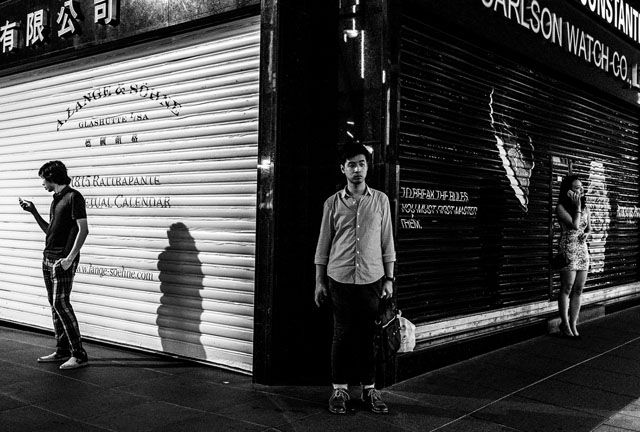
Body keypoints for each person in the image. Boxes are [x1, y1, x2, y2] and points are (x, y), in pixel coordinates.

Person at [314, 143, 396, 415]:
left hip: (372, 278)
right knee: (342, 335)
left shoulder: (381, 200)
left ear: (367, 167)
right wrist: (319, 281)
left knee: (369, 336)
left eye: (361, 163)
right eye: (351, 164)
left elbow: (387, 242)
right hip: (340, 278)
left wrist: (389, 278)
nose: (357, 169)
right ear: (343, 169)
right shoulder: (332, 203)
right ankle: (340, 390)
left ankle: (370, 389)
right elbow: (323, 245)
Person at [19, 160, 90, 369]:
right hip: (48, 258)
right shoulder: (56, 199)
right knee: (54, 304)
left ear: (52, 178)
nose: (42, 183)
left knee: (61, 304)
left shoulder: (73, 197)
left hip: (62, 260)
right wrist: (33, 212)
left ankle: (79, 354)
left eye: (43, 179)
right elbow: (50, 231)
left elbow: (83, 230)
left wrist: (69, 259)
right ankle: (62, 350)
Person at [555, 174, 591, 339]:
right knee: (567, 287)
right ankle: (565, 324)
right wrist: (577, 206)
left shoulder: (586, 208)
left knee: (578, 289)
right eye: (577, 188)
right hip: (568, 249)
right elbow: (575, 225)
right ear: (568, 191)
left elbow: (587, 228)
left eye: (581, 187)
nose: (580, 190)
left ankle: (573, 323)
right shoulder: (561, 208)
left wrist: (587, 234)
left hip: (582, 250)